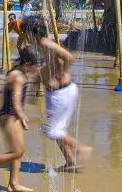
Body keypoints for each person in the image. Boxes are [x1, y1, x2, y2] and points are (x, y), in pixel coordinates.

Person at [24, 14, 92, 171]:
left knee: (52, 130)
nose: (25, 35)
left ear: (32, 32)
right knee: (56, 130)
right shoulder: (40, 45)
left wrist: (59, 74)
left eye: (26, 32)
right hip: (57, 93)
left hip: (61, 92)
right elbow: (45, 68)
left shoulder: (45, 43)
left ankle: (81, 148)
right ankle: (70, 162)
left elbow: (69, 58)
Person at [0, 44, 42, 192]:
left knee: (19, 150)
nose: (37, 68)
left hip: (12, 116)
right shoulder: (18, 77)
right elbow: (15, 99)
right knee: (16, 152)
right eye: (36, 65)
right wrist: (21, 115)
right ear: (27, 64)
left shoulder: (18, 72)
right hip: (9, 116)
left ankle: (13, 184)